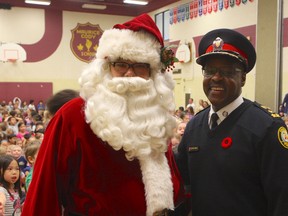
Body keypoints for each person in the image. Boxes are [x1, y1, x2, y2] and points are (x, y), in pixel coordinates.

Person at [22, 14, 187, 216]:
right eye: (121, 64)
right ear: (107, 67)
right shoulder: (73, 115)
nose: (129, 74)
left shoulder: (157, 116)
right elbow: (44, 190)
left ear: (152, 72)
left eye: (139, 66)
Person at [177, 28, 288, 216]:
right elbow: (182, 185)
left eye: (227, 71)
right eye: (210, 71)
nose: (216, 78)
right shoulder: (194, 126)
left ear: (243, 78)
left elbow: (282, 200)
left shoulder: (266, 128)